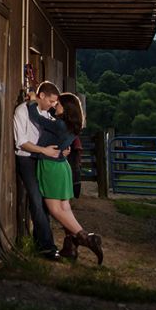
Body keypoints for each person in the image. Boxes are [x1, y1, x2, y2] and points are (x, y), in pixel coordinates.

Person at [28, 92, 104, 265]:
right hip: (62, 166)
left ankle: (85, 237)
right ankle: (72, 244)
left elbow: (36, 119)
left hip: (51, 167)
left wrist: (33, 101)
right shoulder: (72, 126)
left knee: (55, 209)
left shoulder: (61, 125)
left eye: (59, 103)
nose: (55, 106)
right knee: (64, 207)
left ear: (67, 107)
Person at [13, 80, 65, 260]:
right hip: (26, 159)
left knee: (45, 202)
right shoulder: (22, 111)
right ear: (41, 96)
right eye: (51, 101)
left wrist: (63, 148)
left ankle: (42, 243)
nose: (54, 105)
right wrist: (44, 151)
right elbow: (22, 142)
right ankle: (47, 247)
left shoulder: (48, 114)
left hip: (43, 160)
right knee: (35, 199)